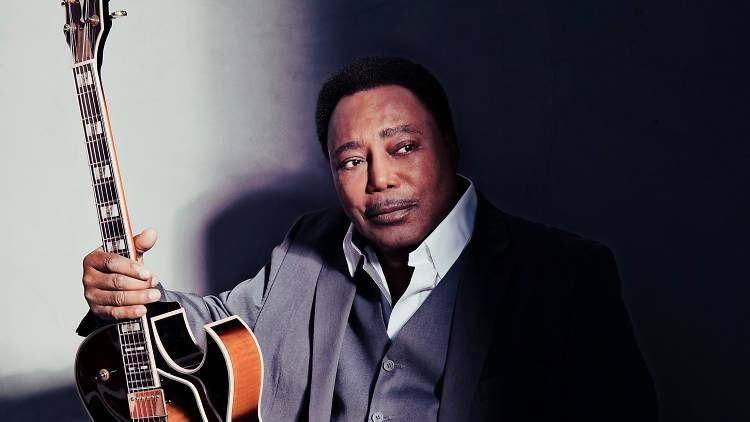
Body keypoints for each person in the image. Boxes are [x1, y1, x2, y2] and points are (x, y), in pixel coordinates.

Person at [77, 56, 658, 421]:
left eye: (403, 148)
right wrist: (132, 294)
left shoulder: (565, 277)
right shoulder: (308, 247)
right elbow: (215, 326)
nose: (380, 179)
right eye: (351, 161)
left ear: (450, 146)